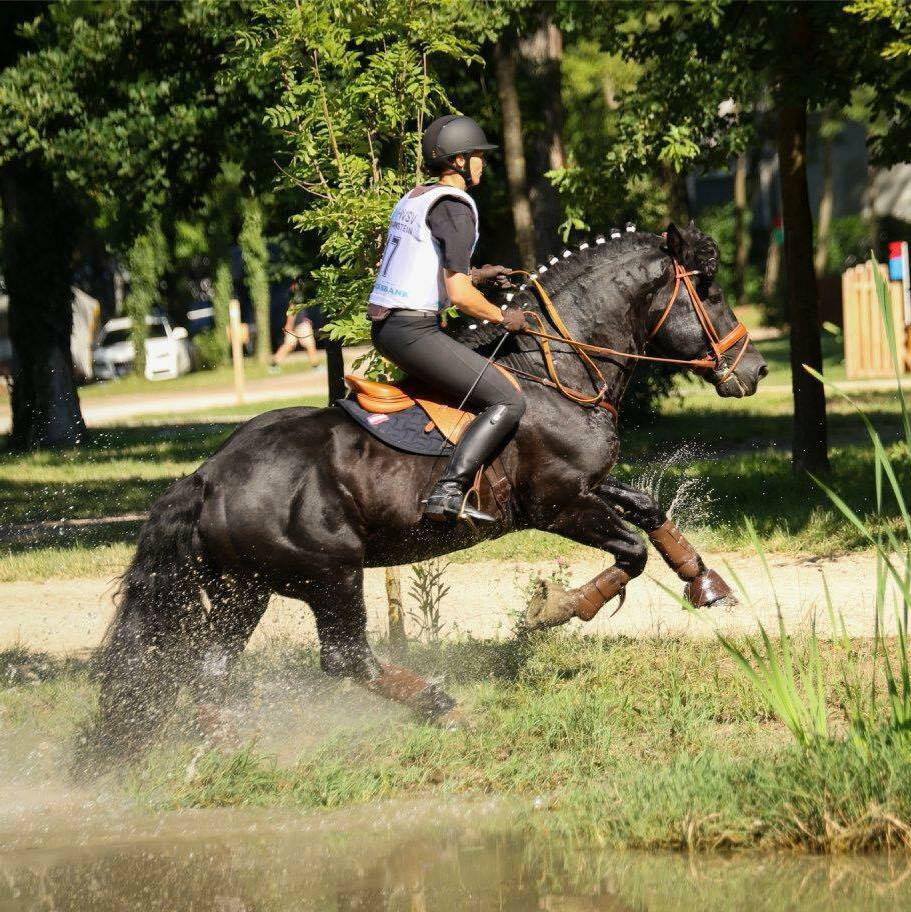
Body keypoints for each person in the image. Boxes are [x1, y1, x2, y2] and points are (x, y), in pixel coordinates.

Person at [368, 114, 529, 523]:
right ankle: (449, 490)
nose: (482, 164)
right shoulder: (456, 207)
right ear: (459, 161)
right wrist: (502, 316)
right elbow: (459, 296)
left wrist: (477, 274)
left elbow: (423, 265)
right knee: (507, 399)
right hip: (412, 330)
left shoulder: (417, 197)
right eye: (478, 156)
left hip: (391, 326)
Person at [270, 278, 319, 372]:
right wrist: (289, 325)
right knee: (309, 344)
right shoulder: (295, 295)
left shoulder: (293, 294)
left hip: (299, 323)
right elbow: (292, 311)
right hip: (299, 324)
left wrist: (305, 318)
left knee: (289, 344)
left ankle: (274, 365)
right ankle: (315, 366)